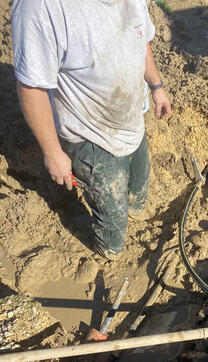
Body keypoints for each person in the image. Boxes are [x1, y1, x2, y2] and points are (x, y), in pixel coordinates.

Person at [11, 0, 171, 259]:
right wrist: (53, 153)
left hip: (131, 121)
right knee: (113, 240)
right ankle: (105, 247)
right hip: (90, 135)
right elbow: (32, 87)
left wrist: (157, 87)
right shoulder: (42, 7)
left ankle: (131, 209)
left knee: (138, 199)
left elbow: (140, 40)